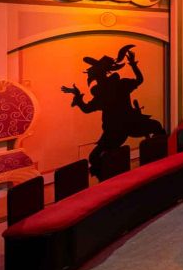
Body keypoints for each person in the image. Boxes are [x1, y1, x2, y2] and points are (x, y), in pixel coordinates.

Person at [62, 44, 165, 177]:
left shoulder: (104, 93)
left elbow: (86, 108)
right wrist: (133, 65)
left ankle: (107, 178)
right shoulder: (117, 86)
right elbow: (140, 80)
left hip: (118, 129)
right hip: (126, 126)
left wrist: (77, 97)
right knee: (157, 127)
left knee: (94, 157)